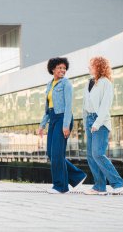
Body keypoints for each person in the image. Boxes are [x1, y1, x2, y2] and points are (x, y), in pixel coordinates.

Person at [38, 57, 87, 194]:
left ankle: (60, 186)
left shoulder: (66, 84)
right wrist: (42, 126)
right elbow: (48, 109)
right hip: (53, 118)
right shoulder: (49, 84)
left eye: (64, 68)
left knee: (57, 153)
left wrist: (66, 125)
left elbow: (68, 106)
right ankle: (77, 176)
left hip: (63, 118)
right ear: (53, 69)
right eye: (60, 67)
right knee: (51, 153)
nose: (62, 70)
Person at [83, 56, 123, 195]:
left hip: (100, 121)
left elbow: (105, 106)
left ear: (99, 66)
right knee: (91, 155)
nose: (88, 67)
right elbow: (85, 105)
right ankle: (99, 186)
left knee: (98, 153)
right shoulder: (89, 82)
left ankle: (118, 183)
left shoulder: (106, 83)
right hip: (89, 119)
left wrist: (97, 123)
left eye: (91, 65)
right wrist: (86, 123)